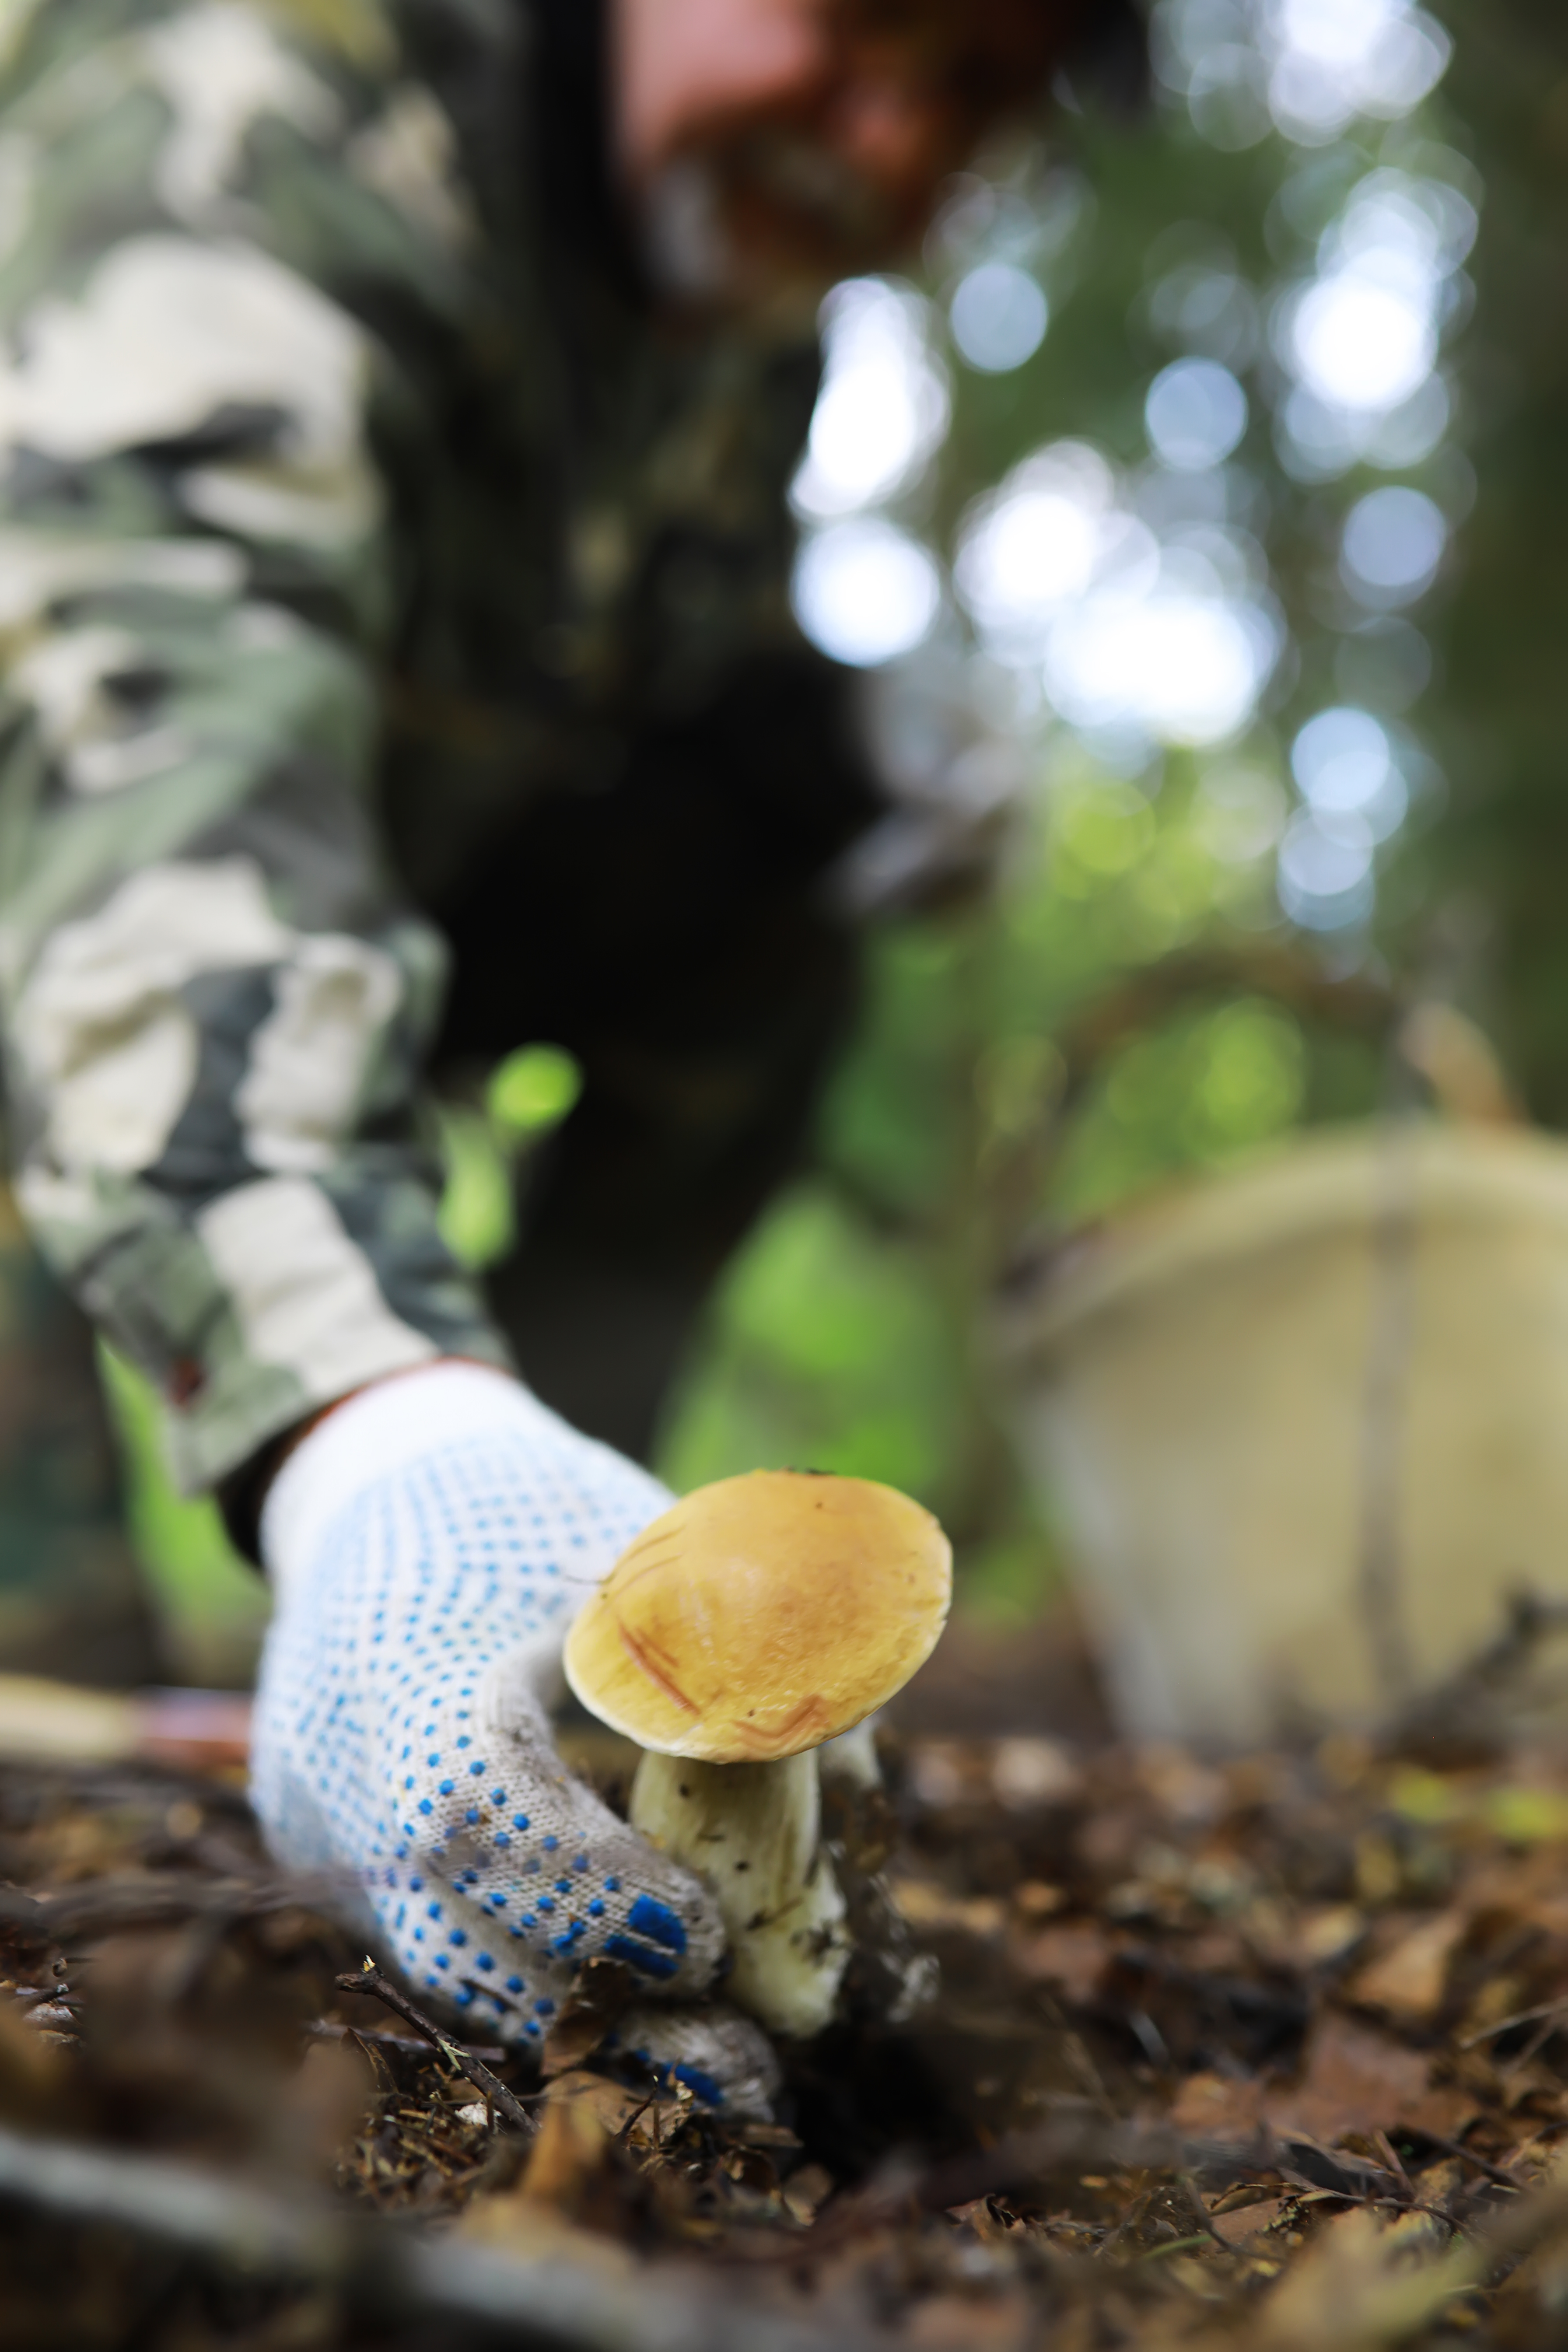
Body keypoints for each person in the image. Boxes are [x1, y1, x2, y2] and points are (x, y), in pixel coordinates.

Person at [0, 0, 1131, 2084]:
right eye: (862, 21)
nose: (885, 137)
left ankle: (561, 1630)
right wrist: (370, 1432)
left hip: (372, 884)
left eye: (971, 95)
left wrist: (814, 734)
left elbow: (625, 676)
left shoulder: (732, 322)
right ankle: (352, 1535)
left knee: (777, 892)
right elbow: (147, 772)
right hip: (87, 900)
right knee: (35, 1747)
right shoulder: (246, 94)